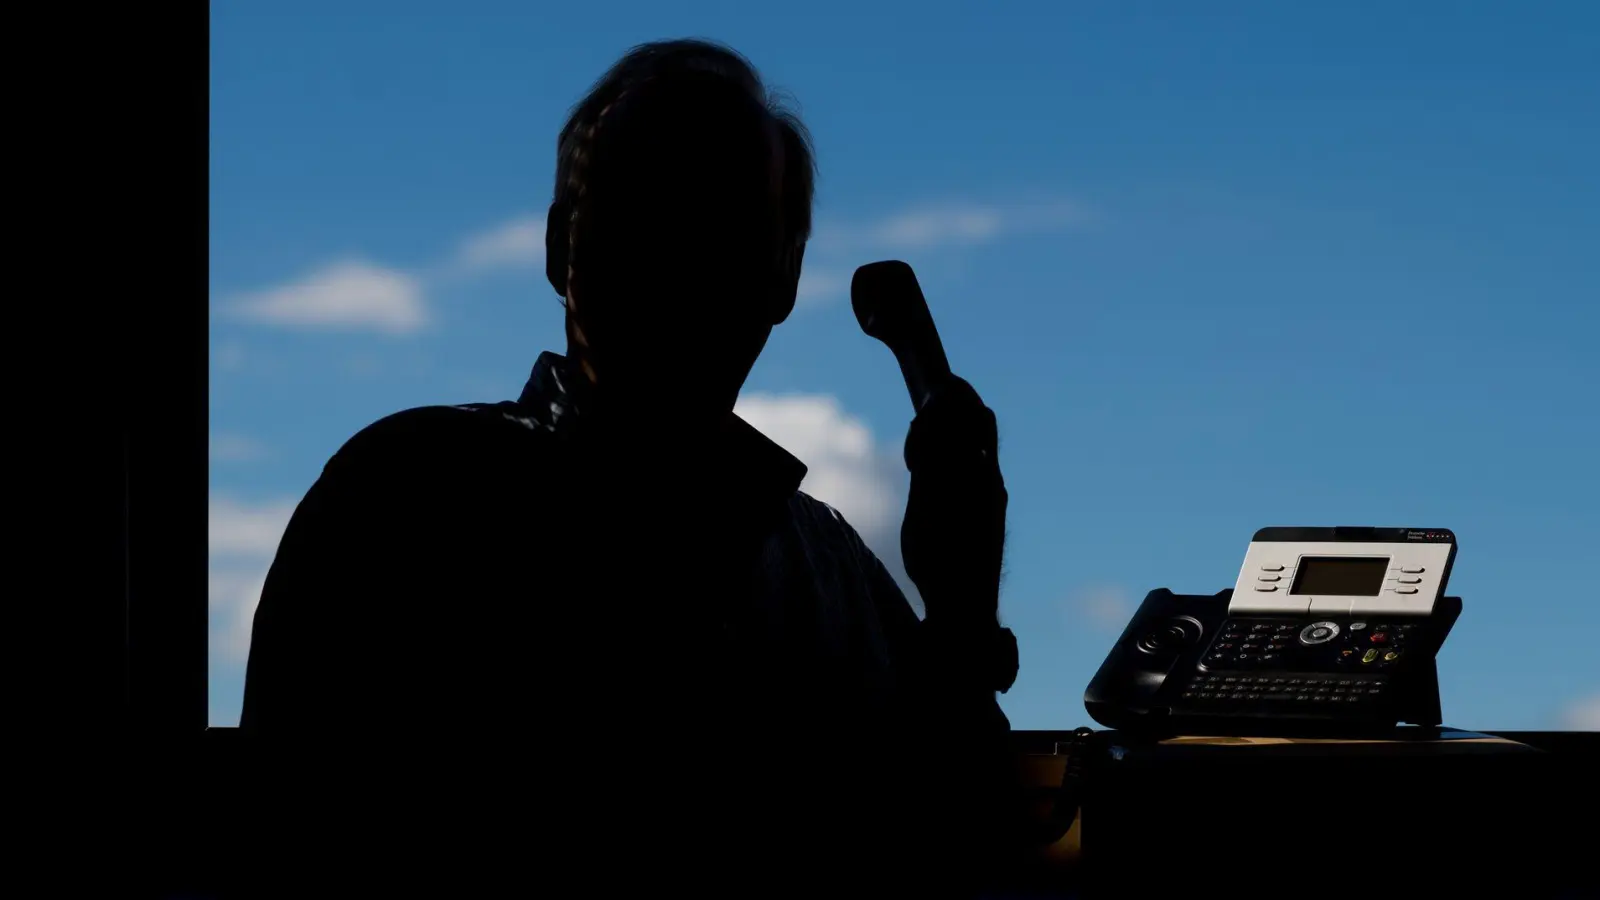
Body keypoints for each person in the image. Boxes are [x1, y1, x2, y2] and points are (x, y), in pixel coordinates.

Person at [239, 38, 1021, 894]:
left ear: (784, 278)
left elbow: (969, 841)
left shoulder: (830, 567)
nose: (680, 245)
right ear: (557, 252)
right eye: (641, 202)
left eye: (723, 214)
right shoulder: (401, 503)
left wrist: (959, 613)